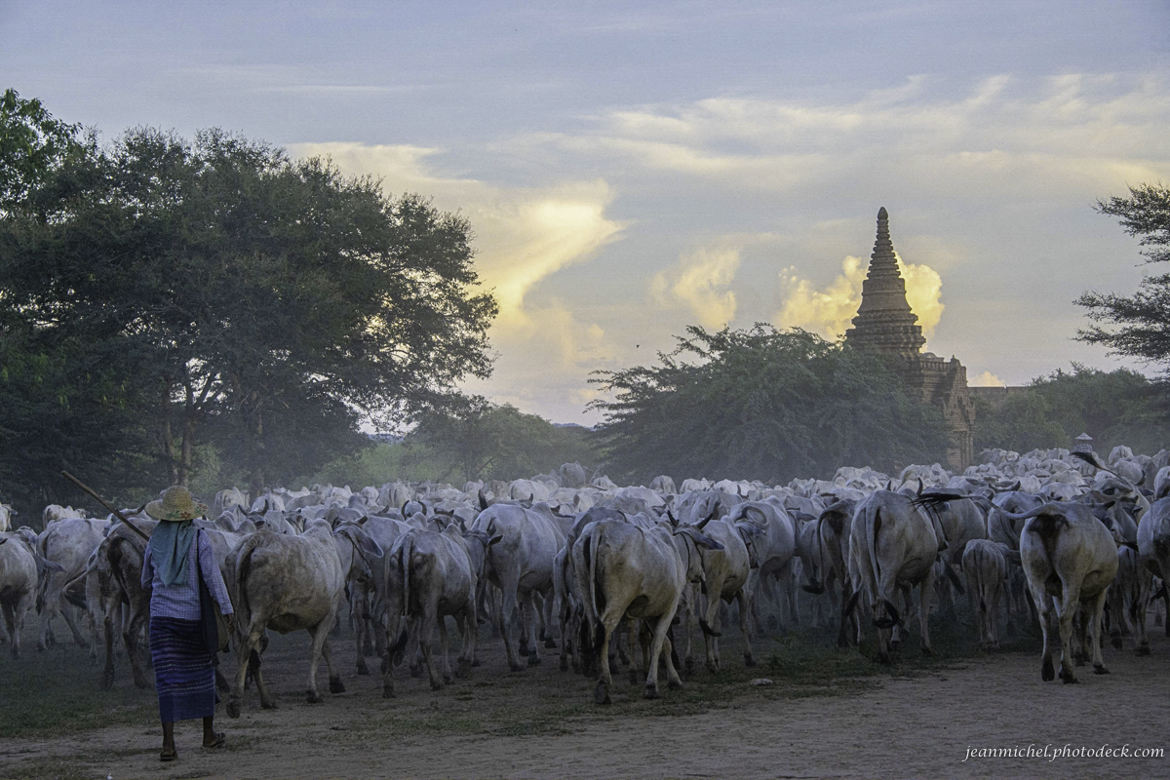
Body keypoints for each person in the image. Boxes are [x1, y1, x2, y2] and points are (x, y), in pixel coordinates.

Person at [140, 485, 234, 762]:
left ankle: (168, 744)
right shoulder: (199, 539)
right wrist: (227, 609)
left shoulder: (154, 541)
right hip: (193, 619)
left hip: (161, 620)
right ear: (189, 515)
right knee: (203, 674)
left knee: (166, 681)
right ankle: (208, 735)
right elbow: (213, 579)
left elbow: (145, 581)